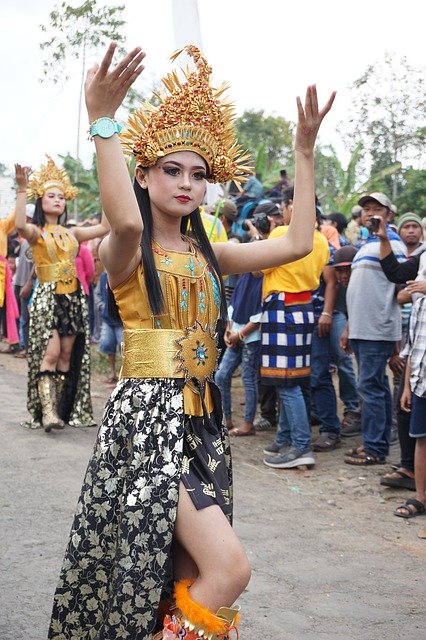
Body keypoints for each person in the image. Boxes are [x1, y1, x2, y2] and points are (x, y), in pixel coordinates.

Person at [46, 42, 335, 639]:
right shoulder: (123, 251)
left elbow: (296, 243)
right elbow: (124, 219)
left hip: (202, 425)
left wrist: (303, 153)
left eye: (198, 174)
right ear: (144, 174)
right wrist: (103, 120)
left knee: (178, 577)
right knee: (229, 569)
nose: (186, 183)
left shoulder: (211, 253)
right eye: (171, 170)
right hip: (149, 426)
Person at [14, 157, 109, 432]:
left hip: (73, 299)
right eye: (51, 196)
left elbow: (105, 227)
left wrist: (108, 191)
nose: (57, 200)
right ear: (41, 200)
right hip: (47, 299)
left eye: (61, 196)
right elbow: (20, 226)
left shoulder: (73, 233)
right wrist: (22, 188)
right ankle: (47, 412)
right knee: (52, 354)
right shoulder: (37, 234)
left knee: (67, 356)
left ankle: (61, 410)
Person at [261, 188, 330, 469]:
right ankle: (285, 437)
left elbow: (259, 269)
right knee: (295, 380)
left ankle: (301, 446)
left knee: (285, 383)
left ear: (294, 205)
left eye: (284, 206)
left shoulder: (281, 235)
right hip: (304, 309)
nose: (283, 212)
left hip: (281, 307)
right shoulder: (322, 241)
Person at [342, 192, 407, 466]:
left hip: (375, 328)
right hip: (361, 327)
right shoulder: (366, 244)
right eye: (366, 209)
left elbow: (400, 287)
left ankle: (375, 448)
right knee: (376, 386)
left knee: (370, 387)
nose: (370, 213)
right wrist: (348, 326)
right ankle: (375, 442)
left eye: (376, 208)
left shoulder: (392, 244)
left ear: (388, 214)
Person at [97, 267, 123, 384]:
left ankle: (124, 374)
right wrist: (102, 307)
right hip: (108, 319)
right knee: (108, 344)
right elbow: (97, 294)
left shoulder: (123, 273)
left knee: (124, 348)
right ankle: (112, 372)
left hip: (121, 320)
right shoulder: (103, 277)